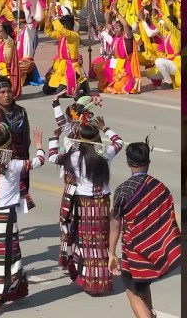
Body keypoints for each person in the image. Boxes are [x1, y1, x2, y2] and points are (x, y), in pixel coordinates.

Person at [51, 114, 125, 296]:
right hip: (102, 203)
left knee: (86, 242)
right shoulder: (105, 153)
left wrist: (54, 138)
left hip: (84, 203)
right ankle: (102, 280)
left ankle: (90, 280)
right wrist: (105, 127)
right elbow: (119, 142)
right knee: (101, 240)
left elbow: (53, 158)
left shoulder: (75, 156)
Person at [0, 122, 46, 311]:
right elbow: (39, 161)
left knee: (2, 252)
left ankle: (16, 287)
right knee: (4, 256)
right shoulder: (14, 165)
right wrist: (39, 145)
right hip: (3, 216)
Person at [109, 139, 181, 318]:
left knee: (133, 293)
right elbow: (168, 220)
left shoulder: (123, 191)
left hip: (135, 256)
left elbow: (115, 225)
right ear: (148, 162)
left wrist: (111, 253)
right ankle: (151, 313)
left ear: (128, 163)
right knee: (143, 287)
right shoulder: (160, 187)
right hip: (156, 253)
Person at [0, 76, 34, 210]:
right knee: (3, 197)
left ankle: (14, 223)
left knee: (18, 198)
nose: (7, 95)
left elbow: (26, 137)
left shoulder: (21, 112)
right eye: (2, 92)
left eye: (9, 91)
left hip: (19, 161)